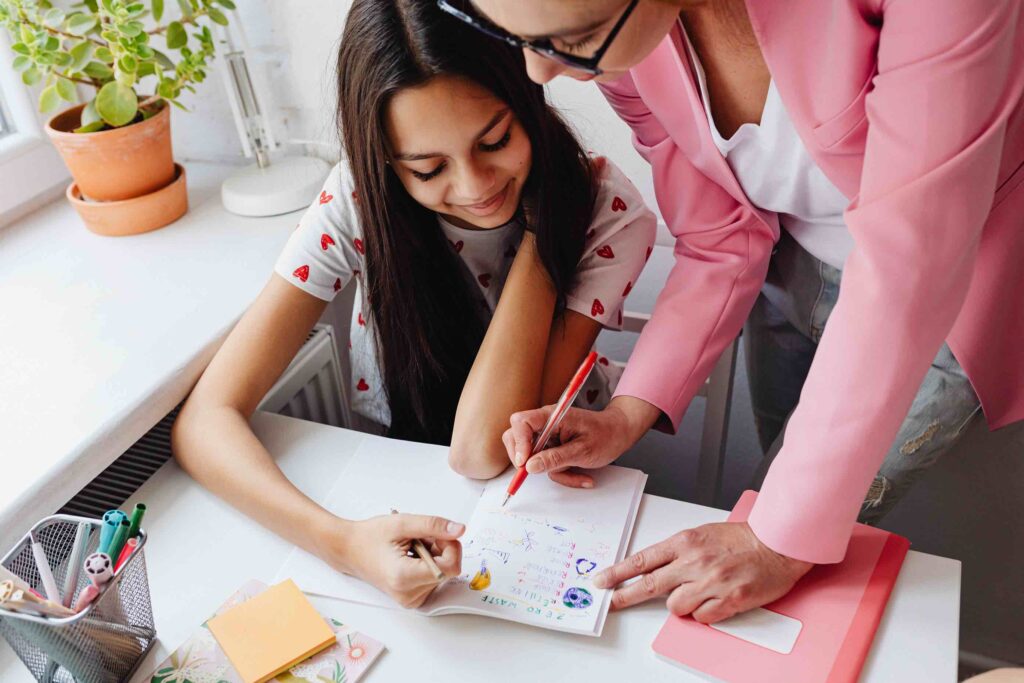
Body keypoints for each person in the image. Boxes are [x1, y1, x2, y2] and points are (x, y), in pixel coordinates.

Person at [448, 0, 1024, 622]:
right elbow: (719, 232)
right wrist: (625, 414)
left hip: (959, 286)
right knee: (761, 506)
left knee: (783, 540)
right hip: (791, 265)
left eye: (575, 37)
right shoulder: (614, 34)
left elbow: (914, 254)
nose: (538, 72)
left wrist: (775, 539)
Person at [171, 0, 656, 608]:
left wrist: (542, 229)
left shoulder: (607, 211)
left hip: (546, 495)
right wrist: (342, 544)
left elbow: (482, 449)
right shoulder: (359, 200)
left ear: (529, 96)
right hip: (399, 480)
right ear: (385, 165)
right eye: (427, 169)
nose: (475, 187)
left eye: (496, 140)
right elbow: (204, 421)